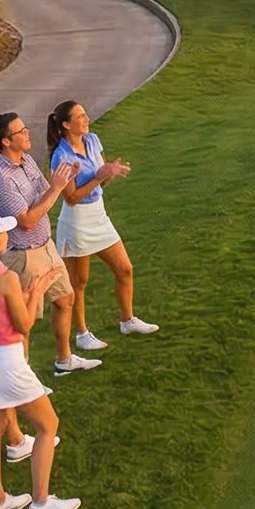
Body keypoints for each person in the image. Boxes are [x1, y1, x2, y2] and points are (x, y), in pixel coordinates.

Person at [0, 210, 78, 509]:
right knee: (48, 425)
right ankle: (41, 503)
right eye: (3, 231)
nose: (6, 235)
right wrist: (37, 292)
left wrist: (26, 293)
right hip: (6, 362)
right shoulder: (6, 277)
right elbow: (24, 324)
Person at [0, 110, 95, 375]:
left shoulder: (27, 160)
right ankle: (23, 375)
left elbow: (46, 190)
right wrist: (56, 189)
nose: (27, 132)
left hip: (45, 246)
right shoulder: (0, 179)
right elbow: (27, 220)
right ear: (6, 141)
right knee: (24, 319)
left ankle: (63, 360)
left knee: (65, 298)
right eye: (21, 131)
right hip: (22, 255)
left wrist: (63, 180)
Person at [46, 100, 156, 351]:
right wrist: (99, 176)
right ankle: (82, 334)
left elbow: (100, 181)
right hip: (77, 221)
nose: (86, 119)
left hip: (98, 215)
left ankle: (127, 320)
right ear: (65, 124)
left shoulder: (93, 141)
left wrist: (109, 173)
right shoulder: (61, 156)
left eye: (85, 114)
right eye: (80, 116)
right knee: (80, 281)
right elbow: (71, 197)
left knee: (125, 268)